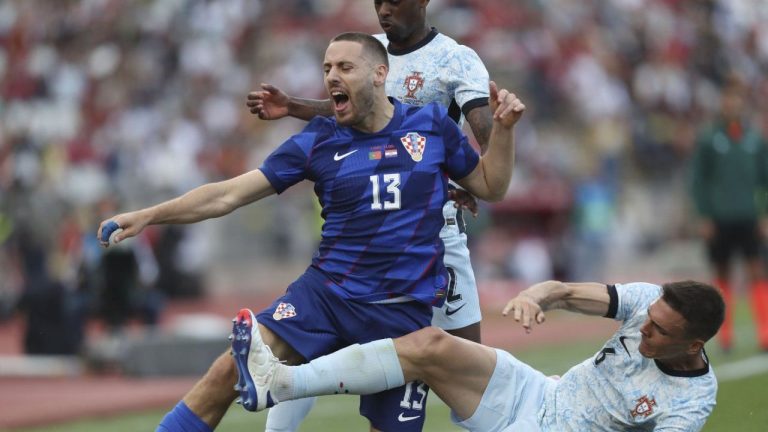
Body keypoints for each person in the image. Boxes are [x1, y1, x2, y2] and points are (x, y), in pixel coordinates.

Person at [98, 32, 524, 432]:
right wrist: (150, 215)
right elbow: (227, 195)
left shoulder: (431, 127)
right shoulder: (319, 139)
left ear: (380, 74)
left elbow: (492, 186)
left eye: (345, 67)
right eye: (326, 68)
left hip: (401, 314)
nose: (332, 76)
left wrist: (503, 133)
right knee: (229, 369)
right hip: (325, 296)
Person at [247, 2, 494, 426]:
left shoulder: (456, 58)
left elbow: (485, 135)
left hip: (434, 232)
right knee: (311, 342)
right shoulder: (366, 50)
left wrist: (470, 180)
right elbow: (348, 112)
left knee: (467, 367)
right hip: (368, 231)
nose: (384, 10)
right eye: (378, 2)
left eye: (394, 1)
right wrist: (293, 106)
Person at [235, 279, 725, 431]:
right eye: (649, 319)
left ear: (694, 345)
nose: (645, 330)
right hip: (538, 392)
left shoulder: (691, 403)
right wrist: (534, 297)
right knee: (429, 345)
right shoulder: (648, 301)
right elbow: (564, 291)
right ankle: (281, 383)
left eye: (659, 331)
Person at [689, 75, 768, 351]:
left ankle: (765, 333)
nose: (732, 103)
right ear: (722, 102)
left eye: (737, 98)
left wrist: (764, 214)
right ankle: (725, 335)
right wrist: (704, 215)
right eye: (728, 98)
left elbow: (765, 179)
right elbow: (698, 180)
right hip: (720, 217)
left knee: (757, 271)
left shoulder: (755, 139)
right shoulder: (709, 138)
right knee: (722, 274)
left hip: (749, 216)